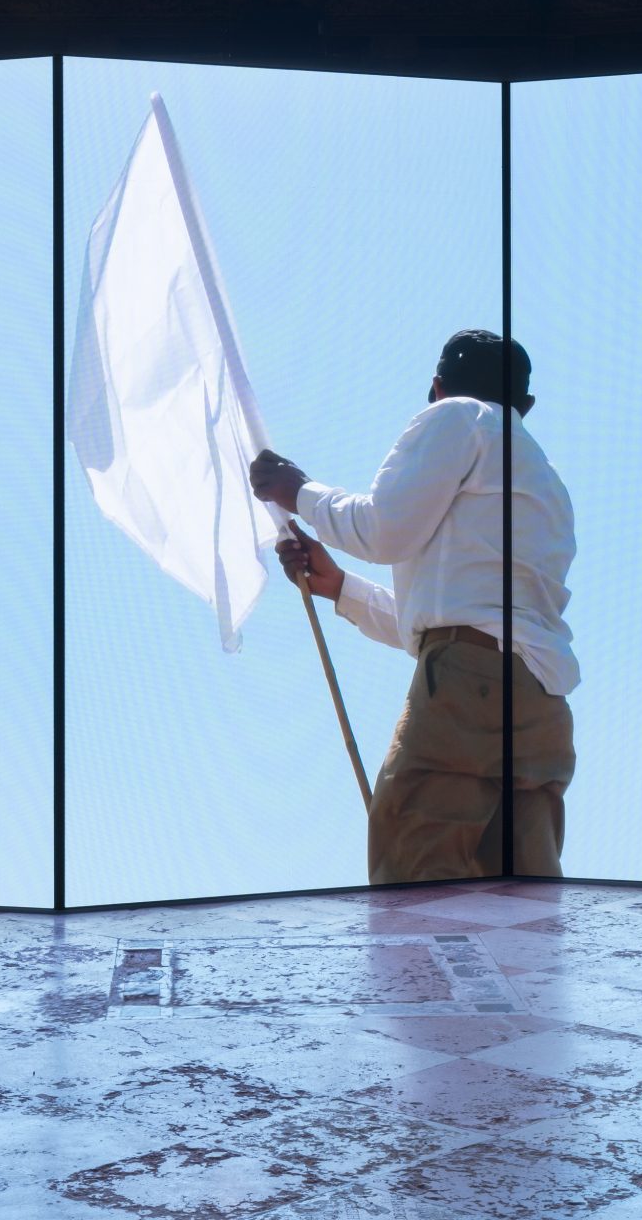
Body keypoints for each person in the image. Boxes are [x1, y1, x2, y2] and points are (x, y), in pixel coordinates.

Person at [248, 330, 576, 885]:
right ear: (527, 406)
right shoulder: (546, 484)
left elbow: (383, 533)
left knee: (417, 879)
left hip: (468, 689)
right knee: (522, 901)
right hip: (542, 703)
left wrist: (296, 489)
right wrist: (343, 590)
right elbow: (462, 620)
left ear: (436, 387)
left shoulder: (457, 418)